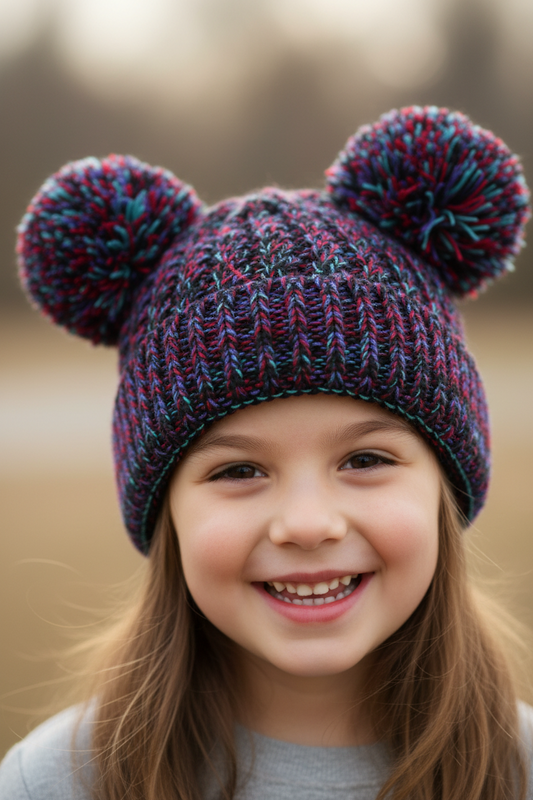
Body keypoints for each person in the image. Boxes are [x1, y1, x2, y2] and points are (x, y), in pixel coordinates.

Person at [0, 105, 531, 800]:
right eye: (238, 470)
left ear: (444, 484)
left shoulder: (516, 771)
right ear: (167, 512)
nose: (308, 524)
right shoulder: (55, 784)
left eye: (364, 460)